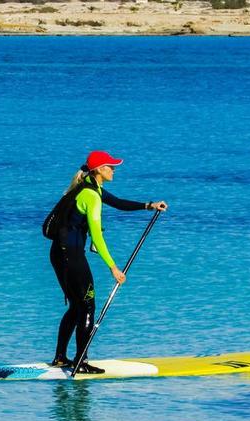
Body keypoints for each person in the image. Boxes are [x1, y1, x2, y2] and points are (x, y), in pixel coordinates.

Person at [50, 150, 168, 374]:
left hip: (58, 254)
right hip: (72, 257)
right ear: (99, 170)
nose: (114, 170)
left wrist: (149, 205)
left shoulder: (87, 186)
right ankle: (80, 362)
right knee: (87, 307)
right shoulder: (91, 196)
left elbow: (119, 203)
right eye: (110, 166)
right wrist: (113, 268)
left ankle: (60, 358)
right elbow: (97, 236)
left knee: (77, 306)